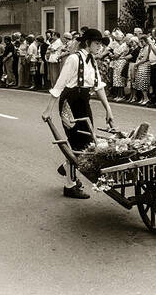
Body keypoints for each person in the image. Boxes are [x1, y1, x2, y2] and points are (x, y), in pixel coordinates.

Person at [42, 29, 114, 199]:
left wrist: (108, 109)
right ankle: (70, 185)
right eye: (97, 43)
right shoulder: (74, 59)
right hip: (69, 102)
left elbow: (99, 86)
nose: (99, 47)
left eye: (100, 44)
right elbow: (59, 84)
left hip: (83, 101)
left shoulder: (92, 62)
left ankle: (67, 166)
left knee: (88, 141)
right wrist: (48, 109)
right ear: (87, 42)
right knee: (76, 143)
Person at [133, 34, 152, 106]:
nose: (141, 43)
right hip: (140, 65)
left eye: (142, 41)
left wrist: (137, 63)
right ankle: (143, 97)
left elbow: (145, 58)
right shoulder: (142, 48)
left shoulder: (147, 48)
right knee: (140, 82)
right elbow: (139, 57)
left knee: (144, 82)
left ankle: (146, 98)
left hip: (145, 65)